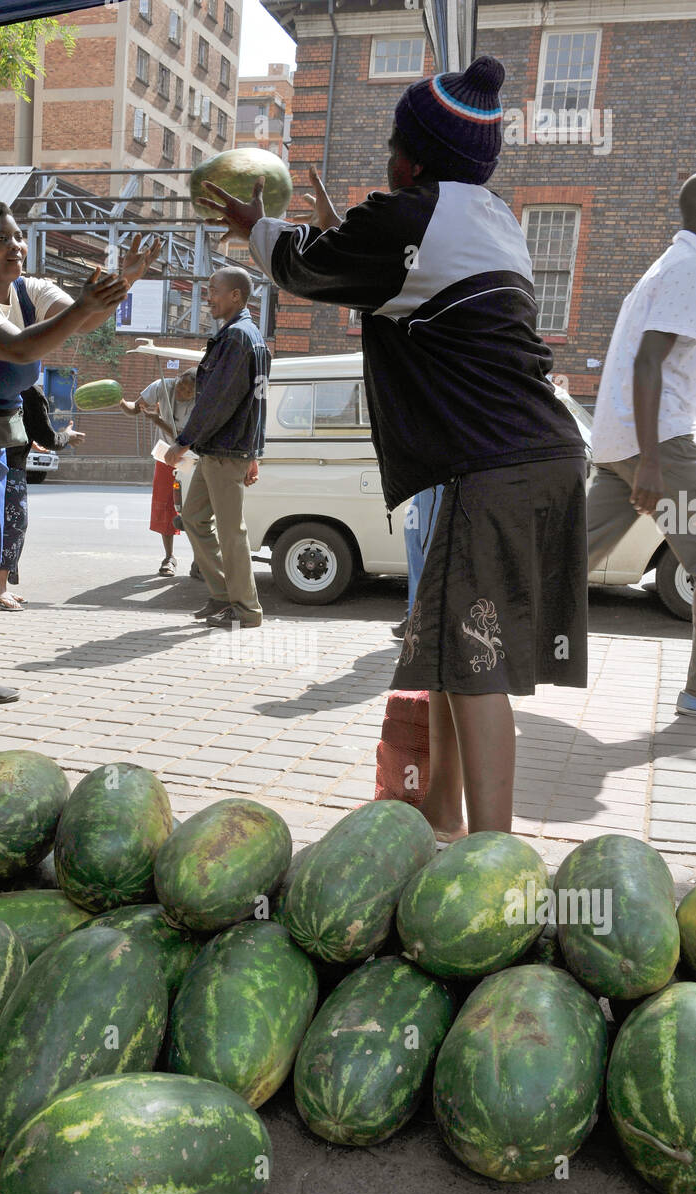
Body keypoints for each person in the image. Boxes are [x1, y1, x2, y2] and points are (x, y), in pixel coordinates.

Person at [198, 56, 588, 836]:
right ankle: (439, 822)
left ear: (409, 154)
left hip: (495, 463)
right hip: (534, 454)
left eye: (390, 140)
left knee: (474, 665)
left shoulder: (408, 216)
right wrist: (334, 233)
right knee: (444, 649)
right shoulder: (491, 219)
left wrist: (258, 229)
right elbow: (394, 277)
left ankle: (492, 857)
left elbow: (306, 270)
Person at [0, 201, 160, 703]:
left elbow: (81, 324)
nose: (15, 246)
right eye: (0, 239)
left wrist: (119, 285)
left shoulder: (31, 289)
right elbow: (20, 349)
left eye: (18, 236)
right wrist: (91, 302)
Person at [586, 176, 696, 716]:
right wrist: (653, 461)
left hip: (619, 443)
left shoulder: (668, 264)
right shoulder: (689, 270)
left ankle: (480, 641)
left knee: (570, 556)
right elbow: (648, 361)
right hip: (660, 447)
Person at [163, 268, 270, 629]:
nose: (209, 297)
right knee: (192, 518)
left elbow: (217, 401)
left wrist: (183, 441)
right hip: (223, 449)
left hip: (225, 450)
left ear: (237, 296)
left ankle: (245, 609)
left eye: (214, 291)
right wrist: (254, 453)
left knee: (231, 532)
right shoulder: (245, 336)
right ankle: (223, 596)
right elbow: (255, 403)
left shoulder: (239, 338)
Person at [0, 382, 85, 610]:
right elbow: (48, 438)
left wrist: (29, 440)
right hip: (10, 470)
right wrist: (67, 435)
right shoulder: (29, 390)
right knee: (13, 526)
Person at [120, 368, 197, 576]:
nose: (183, 391)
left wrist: (158, 420)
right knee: (164, 505)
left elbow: (186, 436)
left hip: (190, 456)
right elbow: (135, 408)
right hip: (165, 455)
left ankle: (200, 560)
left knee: (195, 508)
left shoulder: (202, 400)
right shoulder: (162, 386)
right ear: (177, 379)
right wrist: (119, 401)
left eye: (189, 391)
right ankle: (169, 557)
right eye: (181, 385)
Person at [393, 487, 443, 639]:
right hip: (425, 484)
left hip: (439, 479)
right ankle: (416, 615)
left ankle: (425, 619)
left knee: (430, 546)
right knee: (413, 536)